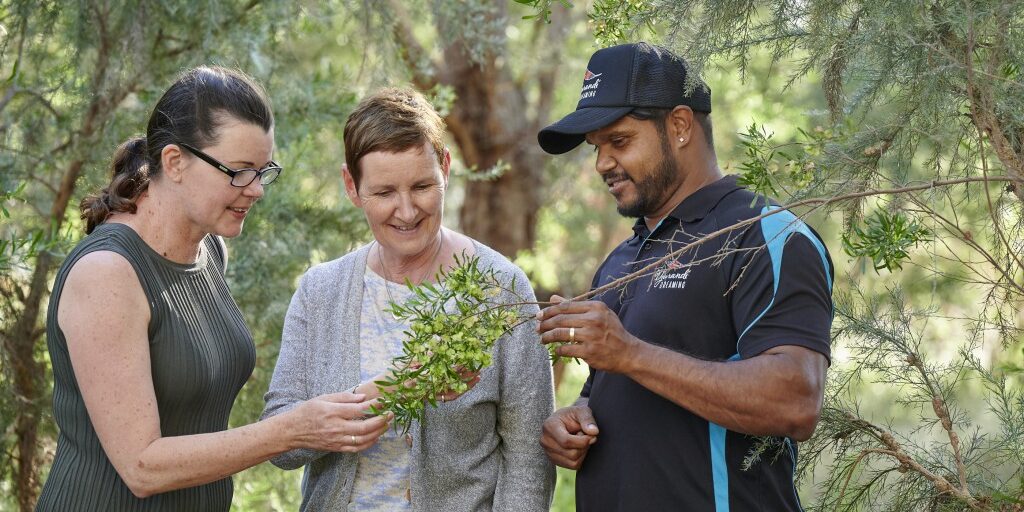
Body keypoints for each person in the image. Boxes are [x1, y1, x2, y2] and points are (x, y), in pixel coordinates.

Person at [36, 66, 390, 512]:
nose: (257, 190)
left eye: (264, 171)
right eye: (239, 172)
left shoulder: (211, 249)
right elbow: (143, 467)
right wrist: (291, 430)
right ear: (175, 162)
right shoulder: (106, 273)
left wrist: (400, 385)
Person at [535, 42, 834, 511]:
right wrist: (573, 420)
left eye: (619, 141)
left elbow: (795, 399)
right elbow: (618, 390)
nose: (602, 165)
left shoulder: (765, 235)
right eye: (596, 149)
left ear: (678, 126)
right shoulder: (619, 260)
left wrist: (630, 354)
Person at [261, 87, 555, 511]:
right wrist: (392, 391)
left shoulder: (501, 290)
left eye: (421, 186)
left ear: (446, 169)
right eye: (383, 193)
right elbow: (281, 447)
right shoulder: (320, 291)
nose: (406, 211)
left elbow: (529, 456)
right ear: (351, 185)